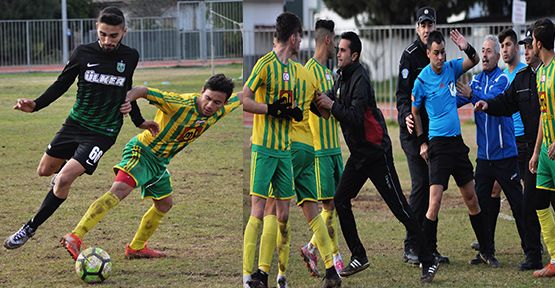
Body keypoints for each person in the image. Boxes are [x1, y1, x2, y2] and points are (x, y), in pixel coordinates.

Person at [4, 6, 157, 250]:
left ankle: (29, 228)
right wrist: (36, 105)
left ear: (124, 32)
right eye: (102, 34)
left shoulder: (130, 56)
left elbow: (126, 89)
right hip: (75, 123)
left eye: (113, 35)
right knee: (44, 171)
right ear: (97, 29)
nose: (107, 40)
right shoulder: (83, 53)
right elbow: (61, 84)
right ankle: (63, 172)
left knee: (63, 179)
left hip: (103, 131)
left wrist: (139, 121)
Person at [60, 73, 241, 260]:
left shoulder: (221, 110)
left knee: (164, 204)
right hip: (142, 151)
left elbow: (243, 96)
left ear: (224, 103)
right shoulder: (179, 103)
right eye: (208, 98)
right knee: (119, 191)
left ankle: (136, 247)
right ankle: (75, 236)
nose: (210, 105)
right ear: (202, 92)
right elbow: (143, 91)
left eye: (217, 102)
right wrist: (128, 99)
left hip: (159, 162)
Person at [316, 31, 438, 283]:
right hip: (359, 155)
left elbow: (354, 116)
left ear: (355, 55)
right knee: (341, 199)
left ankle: (428, 258)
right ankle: (359, 255)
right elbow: (328, 103)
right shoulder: (341, 77)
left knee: (401, 210)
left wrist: (330, 105)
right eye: (337, 49)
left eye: (343, 50)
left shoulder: (360, 79)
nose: (338, 53)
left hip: (376, 153)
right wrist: (312, 100)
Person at [242, 12, 341, 288]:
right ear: (295, 37)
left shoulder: (288, 68)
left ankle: (262, 273)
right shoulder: (306, 73)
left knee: (271, 209)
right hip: (310, 147)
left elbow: (248, 100)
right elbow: (322, 110)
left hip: (288, 148)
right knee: (313, 209)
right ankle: (331, 270)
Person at [411, 30, 492, 267]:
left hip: (457, 144)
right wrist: (422, 142)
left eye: (443, 53)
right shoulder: (421, 81)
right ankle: (428, 255)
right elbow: (415, 112)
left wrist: (466, 47)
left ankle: (486, 251)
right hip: (437, 145)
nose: (440, 57)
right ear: (428, 53)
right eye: (436, 53)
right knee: (434, 201)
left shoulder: (451, 68)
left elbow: (475, 60)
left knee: (471, 198)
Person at [474, 27, 544, 271]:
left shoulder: (545, 74)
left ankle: (535, 251)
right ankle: (532, 254)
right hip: (525, 147)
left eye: (528, 46)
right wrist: (486, 105)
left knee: (535, 201)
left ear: (539, 46)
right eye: (523, 46)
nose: (526, 50)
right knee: (529, 201)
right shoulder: (522, 79)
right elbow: (505, 103)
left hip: (542, 147)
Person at [457, 34, 526, 268]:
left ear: (497, 55)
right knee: (481, 205)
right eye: (482, 51)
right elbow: (458, 99)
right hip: (484, 158)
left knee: (519, 205)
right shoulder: (475, 80)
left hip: (506, 155)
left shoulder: (504, 80)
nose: (484, 55)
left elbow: (493, 100)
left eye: (489, 51)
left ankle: (532, 253)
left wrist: (471, 95)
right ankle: (487, 251)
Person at [395, 6, 448, 265]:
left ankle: (430, 247)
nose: (427, 29)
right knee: (420, 186)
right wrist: (405, 113)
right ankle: (410, 245)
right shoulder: (411, 56)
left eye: (430, 24)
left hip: (434, 131)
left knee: (434, 187)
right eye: (423, 25)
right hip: (413, 132)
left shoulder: (439, 54)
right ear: (417, 27)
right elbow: (402, 95)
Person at [300, 19, 345, 276]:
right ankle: (335, 256)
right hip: (319, 151)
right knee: (328, 206)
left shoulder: (329, 73)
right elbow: (322, 111)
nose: (336, 46)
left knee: (334, 206)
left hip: (334, 149)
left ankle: (313, 248)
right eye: (335, 39)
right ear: (327, 40)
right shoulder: (309, 72)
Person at [528, 18, 555, 278]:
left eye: (531, 40)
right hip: (546, 152)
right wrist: (536, 151)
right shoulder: (541, 73)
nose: (531, 44)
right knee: (539, 203)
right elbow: (543, 115)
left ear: (538, 42)